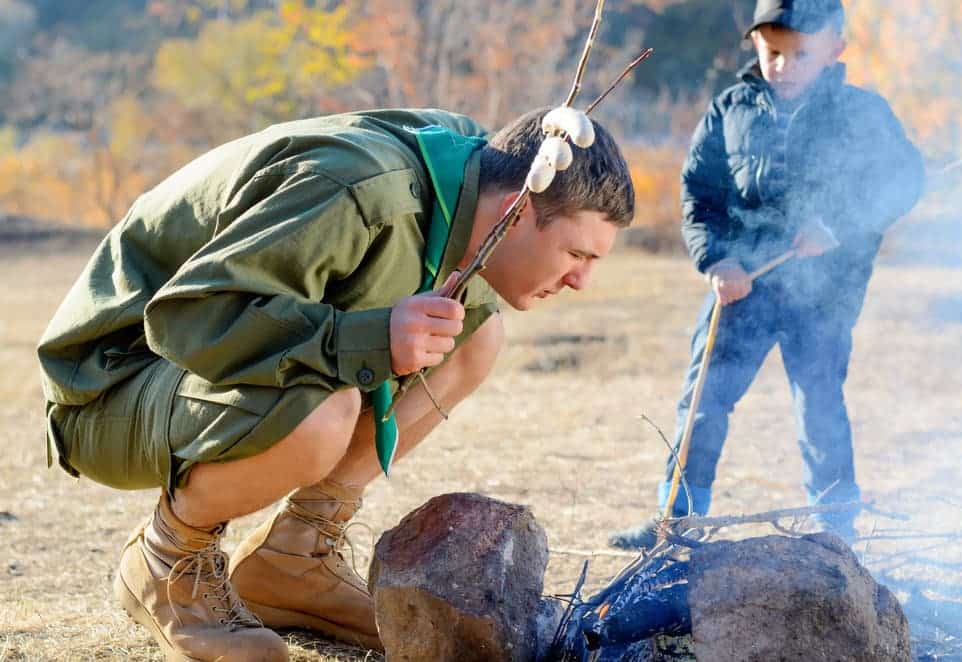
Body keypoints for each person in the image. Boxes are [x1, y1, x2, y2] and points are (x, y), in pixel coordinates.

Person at [38, 107, 634, 661]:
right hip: (111, 380)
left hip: (191, 376)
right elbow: (185, 318)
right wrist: (370, 340)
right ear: (518, 213)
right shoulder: (359, 188)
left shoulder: (473, 194)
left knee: (476, 336)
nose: (581, 280)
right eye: (577, 254)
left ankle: (293, 558)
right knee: (327, 404)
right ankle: (168, 558)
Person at [609, 0, 924, 550]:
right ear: (755, 44)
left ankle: (835, 526)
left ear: (835, 49)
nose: (784, 64)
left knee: (819, 398)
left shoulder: (862, 114)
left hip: (824, 293)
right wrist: (716, 261)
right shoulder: (729, 109)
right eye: (773, 51)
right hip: (743, 286)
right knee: (705, 396)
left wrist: (839, 225)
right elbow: (699, 195)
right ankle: (677, 519)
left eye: (800, 52)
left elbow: (903, 179)